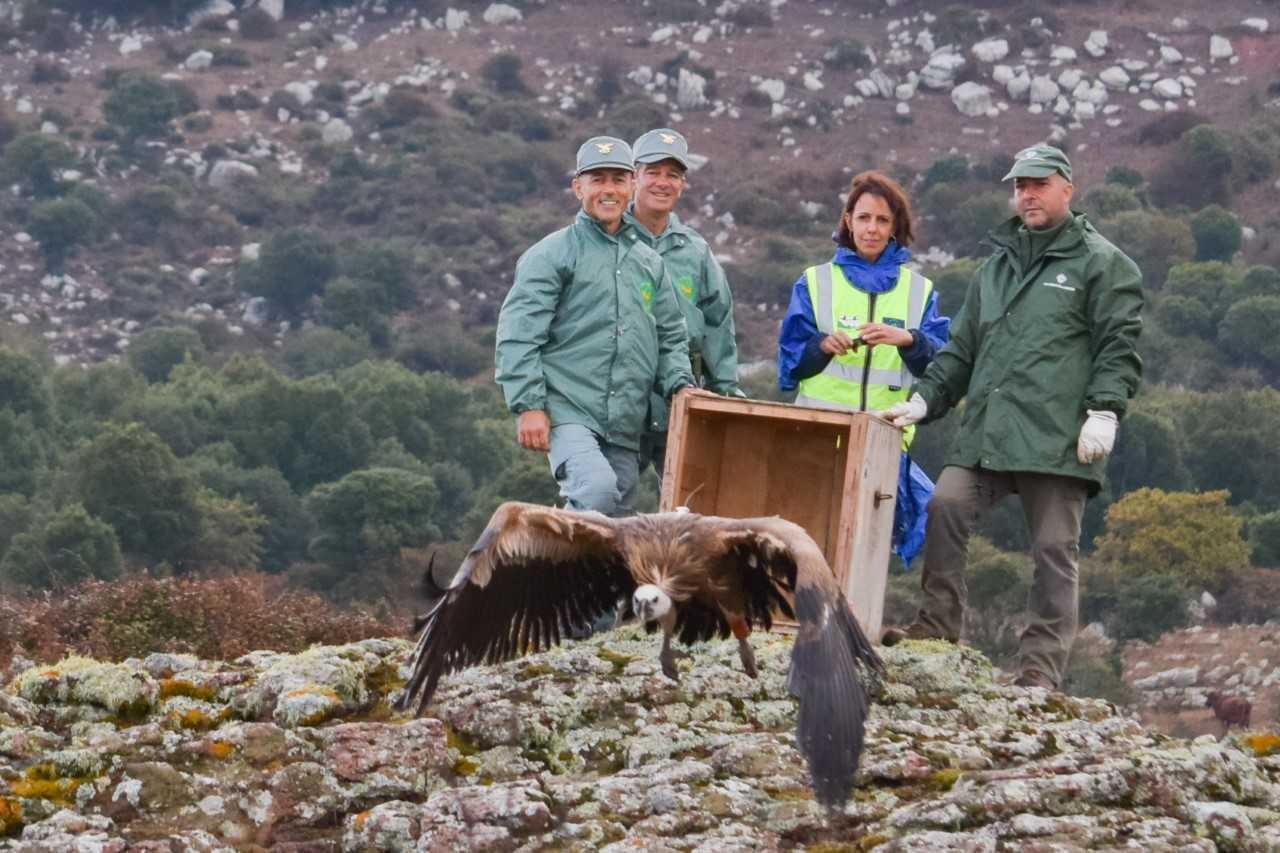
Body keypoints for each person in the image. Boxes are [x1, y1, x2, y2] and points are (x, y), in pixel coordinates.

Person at [880, 144, 1143, 692]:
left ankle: (1039, 670)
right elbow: (962, 349)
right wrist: (927, 399)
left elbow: (1117, 345)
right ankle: (936, 628)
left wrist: (1105, 411)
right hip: (990, 433)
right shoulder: (996, 265)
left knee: (1053, 549)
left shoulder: (1104, 263)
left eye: (1039, 184)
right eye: (1020, 185)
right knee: (946, 504)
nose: (1027, 194)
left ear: (1067, 189)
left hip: (1060, 437)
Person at [495, 136, 694, 517]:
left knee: (618, 517)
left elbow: (671, 337)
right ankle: (555, 570)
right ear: (578, 188)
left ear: (632, 185)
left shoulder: (649, 263)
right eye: (597, 179)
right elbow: (518, 335)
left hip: (625, 419)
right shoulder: (551, 254)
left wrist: (681, 384)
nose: (609, 190)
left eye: (618, 180)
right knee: (597, 492)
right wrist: (529, 405)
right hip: (568, 409)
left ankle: (574, 575)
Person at [777, 170, 950, 566]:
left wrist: (907, 339)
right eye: (864, 218)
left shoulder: (919, 292)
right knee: (812, 544)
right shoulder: (814, 282)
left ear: (895, 228)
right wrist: (821, 346)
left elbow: (942, 366)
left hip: (884, 439)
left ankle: (856, 625)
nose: (871, 228)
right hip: (818, 438)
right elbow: (790, 367)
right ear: (848, 221)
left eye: (882, 220)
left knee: (868, 550)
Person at [625, 128, 742, 477]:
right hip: (622, 403)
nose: (663, 183)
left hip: (681, 402)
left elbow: (718, 324)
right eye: (654, 172)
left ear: (683, 184)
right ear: (634, 178)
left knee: (692, 508)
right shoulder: (609, 240)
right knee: (607, 507)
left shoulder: (695, 250)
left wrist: (725, 393)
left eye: (673, 175)